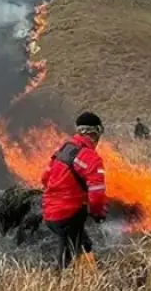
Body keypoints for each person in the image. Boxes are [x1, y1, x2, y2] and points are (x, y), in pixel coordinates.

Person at [41, 111, 107, 270]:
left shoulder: (63, 150)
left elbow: (44, 178)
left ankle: (81, 276)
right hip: (69, 215)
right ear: (95, 132)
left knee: (83, 245)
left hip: (50, 212)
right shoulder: (91, 158)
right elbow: (97, 194)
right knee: (70, 258)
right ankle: (60, 286)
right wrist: (98, 213)